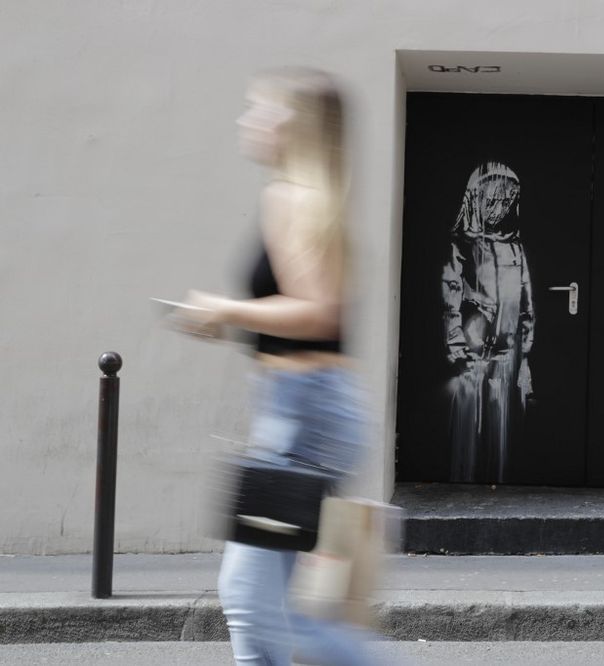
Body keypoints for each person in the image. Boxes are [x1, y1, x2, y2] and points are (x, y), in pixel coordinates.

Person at [175, 67, 374, 666]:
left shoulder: (292, 200)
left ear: (297, 126)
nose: (248, 121)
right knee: (259, 602)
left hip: (305, 414)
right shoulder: (308, 198)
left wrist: (225, 309)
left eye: (262, 110)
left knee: (266, 609)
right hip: (301, 410)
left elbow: (318, 312)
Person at [441, 161, 534, 483]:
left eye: (508, 201)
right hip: (472, 358)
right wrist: (456, 348)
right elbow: (450, 299)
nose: (500, 208)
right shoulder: (462, 245)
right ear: (475, 199)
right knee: (470, 431)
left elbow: (526, 304)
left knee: (505, 432)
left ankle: (502, 480)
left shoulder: (514, 247)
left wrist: (525, 356)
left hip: (508, 357)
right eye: (493, 200)